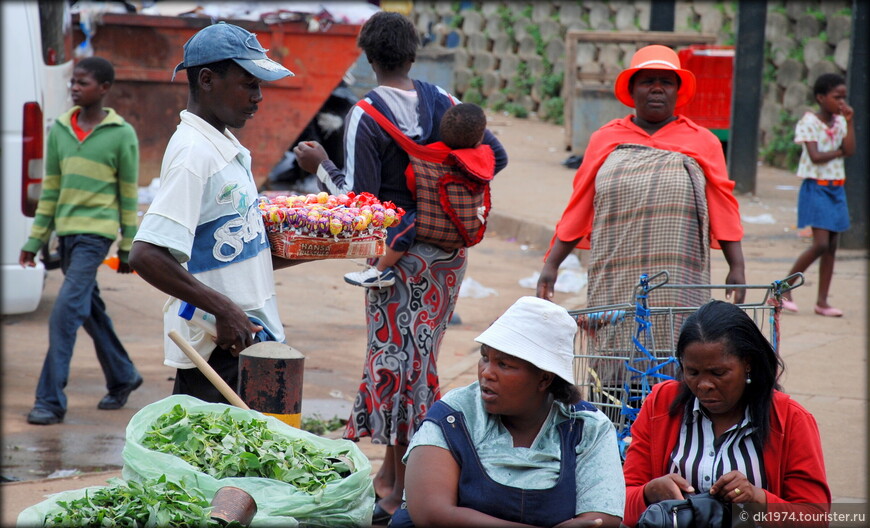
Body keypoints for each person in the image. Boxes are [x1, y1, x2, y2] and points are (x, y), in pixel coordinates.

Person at [293, 12, 508, 523]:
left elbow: (358, 203)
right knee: (420, 361)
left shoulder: (364, 115)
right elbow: (493, 156)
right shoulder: (448, 103)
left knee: (392, 361)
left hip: (396, 259)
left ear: (368, 57)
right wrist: (443, 183)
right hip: (449, 255)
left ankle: (400, 484)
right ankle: (393, 476)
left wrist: (319, 165)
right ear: (416, 53)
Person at [128, 22, 299, 403]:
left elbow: (236, 254)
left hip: (250, 340)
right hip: (217, 353)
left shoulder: (223, 145)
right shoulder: (194, 154)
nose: (258, 97)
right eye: (248, 84)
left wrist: (318, 245)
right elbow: (146, 254)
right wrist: (226, 310)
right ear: (206, 79)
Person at [537, 44, 746, 309]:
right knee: (616, 341)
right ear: (632, 90)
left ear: (677, 91)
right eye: (648, 81)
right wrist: (552, 264)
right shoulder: (605, 139)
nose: (657, 89)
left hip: (679, 276)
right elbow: (580, 204)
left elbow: (723, 205)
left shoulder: (702, 142)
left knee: (679, 340)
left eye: (667, 82)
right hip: (615, 273)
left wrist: (736, 266)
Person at [394, 296, 625, 527]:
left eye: (504, 364)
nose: (486, 373)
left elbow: (602, 516)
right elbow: (431, 513)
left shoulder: (586, 427)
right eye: (485, 357)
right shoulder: (455, 416)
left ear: (544, 378)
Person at [621, 300, 831, 527]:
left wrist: (757, 499)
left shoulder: (791, 419)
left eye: (718, 373)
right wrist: (649, 493)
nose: (704, 385)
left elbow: (814, 517)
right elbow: (617, 501)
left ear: (747, 363)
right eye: (692, 372)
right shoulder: (660, 404)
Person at [19, 57, 142, 426]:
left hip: (96, 237)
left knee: (64, 313)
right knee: (89, 307)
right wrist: (35, 239)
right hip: (67, 235)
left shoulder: (122, 134)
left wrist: (127, 245)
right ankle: (123, 376)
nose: (75, 87)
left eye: (83, 82)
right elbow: (51, 190)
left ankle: (49, 401)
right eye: (73, 81)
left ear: (104, 88)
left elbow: (128, 193)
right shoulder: (59, 129)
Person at [342, 102, 490, 288]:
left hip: (434, 217)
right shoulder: (484, 156)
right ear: (480, 137)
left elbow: (413, 183)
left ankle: (380, 271)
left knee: (403, 225)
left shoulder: (429, 156)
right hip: (465, 223)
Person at [780, 73, 855, 317]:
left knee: (832, 246)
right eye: (836, 97)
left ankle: (822, 302)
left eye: (844, 97)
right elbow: (815, 156)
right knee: (820, 243)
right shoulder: (808, 122)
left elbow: (850, 150)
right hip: (816, 187)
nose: (841, 102)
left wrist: (850, 123)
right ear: (821, 98)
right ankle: (784, 287)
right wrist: (838, 151)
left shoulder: (841, 121)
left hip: (836, 187)